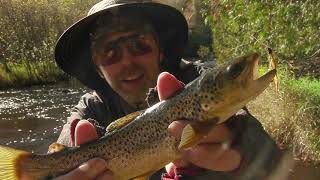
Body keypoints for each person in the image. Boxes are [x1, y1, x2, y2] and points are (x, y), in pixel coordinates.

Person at [54, 0, 281, 179]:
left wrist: (241, 160)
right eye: (109, 52)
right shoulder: (90, 109)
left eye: (139, 43)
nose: (127, 61)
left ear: (159, 49)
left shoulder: (198, 82)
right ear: (98, 68)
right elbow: (56, 157)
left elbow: (272, 158)